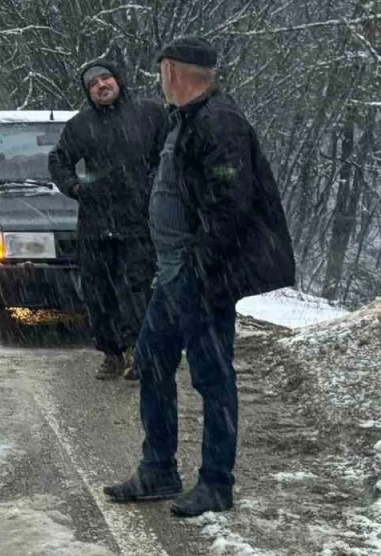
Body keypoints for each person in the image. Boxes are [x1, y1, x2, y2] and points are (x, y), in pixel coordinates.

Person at [104, 36, 296, 517]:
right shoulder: (186, 119)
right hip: (172, 278)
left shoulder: (219, 122)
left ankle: (216, 483)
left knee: (212, 379)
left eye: (160, 72)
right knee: (150, 361)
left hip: (201, 278)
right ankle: (158, 470)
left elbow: (229, 208)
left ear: (171, 71)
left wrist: (197, 268)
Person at [49, 60, 166, 380]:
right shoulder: (80, 125)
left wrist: (157, 186)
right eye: (93, 84)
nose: (101, 85)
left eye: (106, 78)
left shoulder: (151, 115)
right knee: (98, 292)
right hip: (95, 224)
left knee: (135, 288)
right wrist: (74, 187)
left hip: (138, 222)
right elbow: (58, 160)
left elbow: (170, 154)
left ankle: (138, 353)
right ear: (88, 93)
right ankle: (111, 353)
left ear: (118, 80)